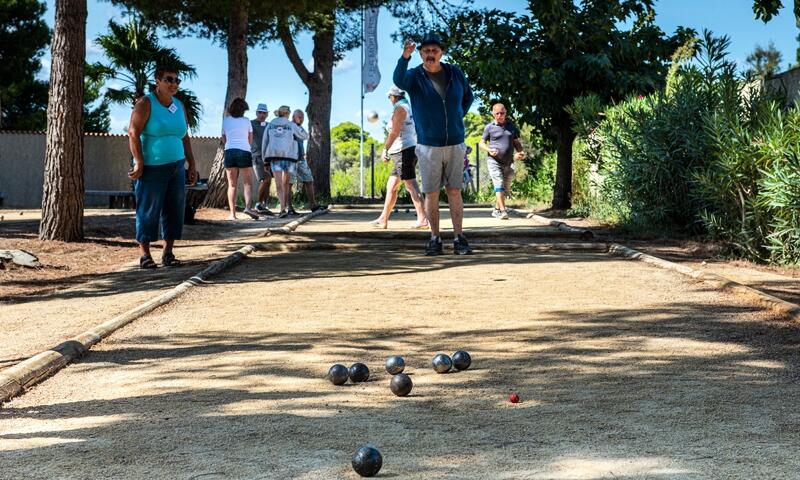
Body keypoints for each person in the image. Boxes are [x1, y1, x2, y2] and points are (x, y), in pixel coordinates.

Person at [393, 33, 474, 255]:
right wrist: (404, 57)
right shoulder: (414, 75)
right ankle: (435, 238)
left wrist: (458, 116)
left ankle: (459, 238)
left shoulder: (455, 73)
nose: (430, 54)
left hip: (455, 142)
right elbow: (398, 80)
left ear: (441, 53)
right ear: (421, 54)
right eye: (426, 51)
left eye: (434, 51)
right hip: (428, 145)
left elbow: (469, 96)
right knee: (432, 194)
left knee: (455, 191)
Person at [127, 66, 198, 269]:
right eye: (169, 79)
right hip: (151, 166)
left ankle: (168, 253)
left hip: (176, 165)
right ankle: (145, 255)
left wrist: (191, 162)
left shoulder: (179, 105)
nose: (174, 84)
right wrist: (139, 161)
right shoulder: (145, 103)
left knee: (174, 209)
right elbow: (133, 133)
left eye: (177, 80)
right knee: (148, 210)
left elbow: (184, 135)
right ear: (157, 81)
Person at [368, 86, 428, 229]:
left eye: (389, 97)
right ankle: (383, 219)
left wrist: (385, 149)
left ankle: (423, 219)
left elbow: (394, 132)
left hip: (404, 151)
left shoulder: (400, 109)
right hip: (405, 150)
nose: (389, 100)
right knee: (391, 186)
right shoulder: (408, 107)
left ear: (393, 97)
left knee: (411, 185)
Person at [479, 102, 525, 220]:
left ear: (506, 113)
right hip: (494, 161)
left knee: (505, 187)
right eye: (497, 113)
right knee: (498, 183)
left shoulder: (511, 126)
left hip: (509, 162)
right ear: (493, 114)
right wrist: (489, 149)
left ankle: (497, 209)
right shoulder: (489, 127)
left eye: (502, 113)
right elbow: (481, 143)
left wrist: (520, 151)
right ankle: (503, 211)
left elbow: (516, 142)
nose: (500, 115)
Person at [261, 105, 308, 218]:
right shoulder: (291, 125)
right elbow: (305, 136)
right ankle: (286, 207)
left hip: (274, 157)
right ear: (287, 114)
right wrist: (297, 124)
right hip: (289, 158)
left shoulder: (271, 124)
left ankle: (282, 209)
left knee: (278, 185)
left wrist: (265, 160)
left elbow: (264, 142)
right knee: (286, 184)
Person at [221, 97, 258, 220]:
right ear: (243, 110)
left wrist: (230, 146)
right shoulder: (246, 121)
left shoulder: (226, 121)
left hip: (229, 151)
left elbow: (224, 138)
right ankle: (247, 207)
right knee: (247, 182)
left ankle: (232, 214)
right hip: (244, 151)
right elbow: (250, 138)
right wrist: (245, 146)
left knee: (232, 185)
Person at [287, 109, 325, 214]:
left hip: (301, 159)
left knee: (309, 180)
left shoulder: (300, 128)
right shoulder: (289, 126)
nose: (301, 118)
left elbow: (306, 137)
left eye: (302, 117)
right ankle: (289, 208)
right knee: (289, 184)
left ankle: (313, 205)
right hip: (291, 160)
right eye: (299, 116)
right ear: (293, 117)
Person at [251, 103, 274, 215]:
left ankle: (264, 205)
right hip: (257, 156)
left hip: (268, 157)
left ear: (267, 114)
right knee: (265, 179)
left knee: (268, 182)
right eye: (260, 112)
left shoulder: (269, 125)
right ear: (256, 113)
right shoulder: (251, 124)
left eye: (264, 113)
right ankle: (258, 204)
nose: (262, 115)